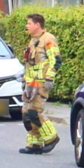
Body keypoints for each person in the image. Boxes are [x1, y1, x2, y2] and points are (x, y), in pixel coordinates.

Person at [20, 13, 60, 154]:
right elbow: (30, 64)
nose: (27, 26)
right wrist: (25, 80)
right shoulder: (33, 40)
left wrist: (49, 78)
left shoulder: (48, 39)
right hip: (31, 83)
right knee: (26, 113)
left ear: (37, 25)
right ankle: (34, 144)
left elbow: (55, 60)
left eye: (29, 23)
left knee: (35, 112)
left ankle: (52, 137)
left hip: (41, 82)